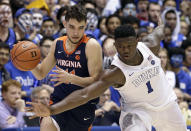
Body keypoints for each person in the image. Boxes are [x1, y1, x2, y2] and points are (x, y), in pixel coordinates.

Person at [27, 16, 187, 131]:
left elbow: (159, 32)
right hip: (137, 111)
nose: (125, 50)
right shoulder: (115, 72)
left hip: (167, 105)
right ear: (115, 45)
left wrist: (161, 24)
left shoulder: (150, 46)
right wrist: (52, 110)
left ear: (137, 41)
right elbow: (84, 94)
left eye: (129, 45)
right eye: (121, 46)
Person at [29, 4, 102, 131]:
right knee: (46, 124)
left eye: (81, 28)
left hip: (83, 106)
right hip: (58, 103)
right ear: (64, 24)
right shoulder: (57, 43)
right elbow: (40, 73)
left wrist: (72, 78)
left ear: (85, 26)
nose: (76, 32)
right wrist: (29, 63)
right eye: (72, 27)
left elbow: (97, 82)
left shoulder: (91, 46)